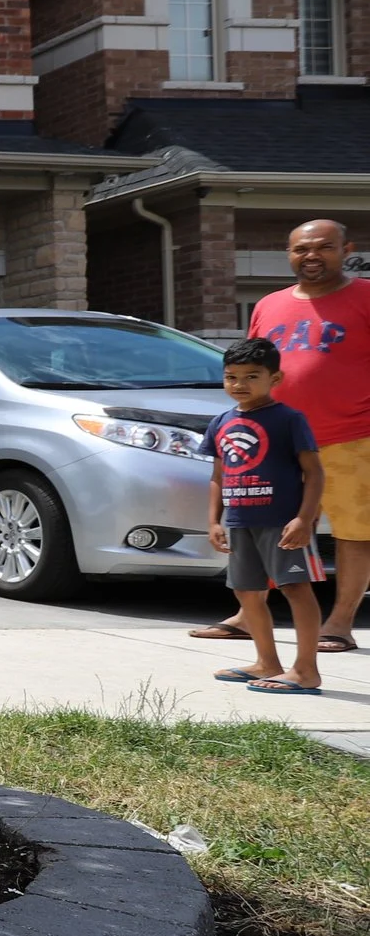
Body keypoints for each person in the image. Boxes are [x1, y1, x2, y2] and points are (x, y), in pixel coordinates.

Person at [191, 219, 370, 652]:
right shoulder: (268, 304)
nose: (311, 256)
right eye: (301, 249)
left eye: (323, 247)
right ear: (287, 253)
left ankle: (340, 622)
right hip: (276, 439)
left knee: (354, 532)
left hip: (351, 434)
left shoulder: (365, 295)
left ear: (346, 248)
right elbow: (251, 367)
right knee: (264, 526)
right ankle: (248, 616)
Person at [204, 338, 327, 695]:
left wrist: (304, 518)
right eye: (231, 377)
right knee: (247, 593)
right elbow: (218, 476)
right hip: (241, 522)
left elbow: (314, 472)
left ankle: (306, 670)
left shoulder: (289, 419)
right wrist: (214, 521)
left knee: (295, 589)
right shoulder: (221, 422)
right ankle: (266, 662)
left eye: (251, 376)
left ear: (275, 378)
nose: (239, 385)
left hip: (281, 521)